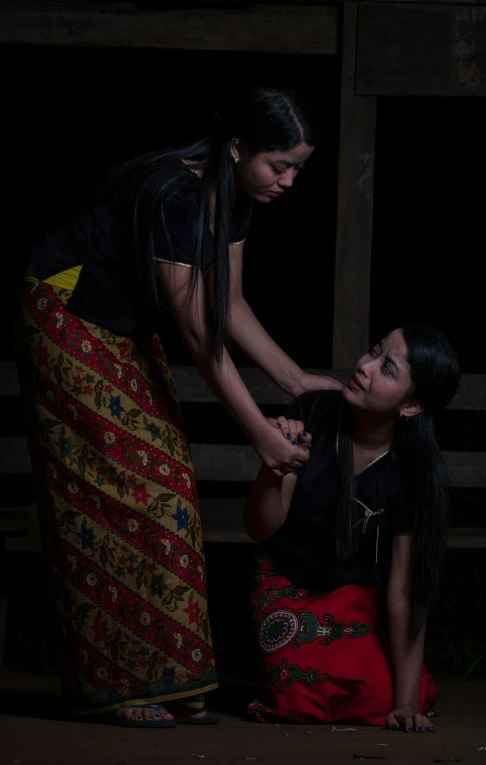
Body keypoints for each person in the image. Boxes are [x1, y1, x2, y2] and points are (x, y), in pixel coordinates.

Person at [13, 87, 341, 728]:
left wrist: (296, 379)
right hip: (65, 315)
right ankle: (122, 683)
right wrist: (262, 439)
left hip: (123, 326)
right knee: (118, 488)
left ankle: (171, 672)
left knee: (168, 482)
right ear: (239, 147)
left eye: (299, 166)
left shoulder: (236, 197)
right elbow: (200, 340)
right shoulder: (173, 194)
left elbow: (231, 307)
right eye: (281, 164)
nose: (290, 180)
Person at [244, 325, 460, 730]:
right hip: (285, 582)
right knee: (301, 695)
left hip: (354, 599)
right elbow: (260, 528)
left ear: (411, 406)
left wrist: (407, 703)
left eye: (387, 369)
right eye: (374, 352)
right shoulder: (312, 411)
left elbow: (403, 593)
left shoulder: (409, 473)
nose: (365, 366)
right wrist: (275, 467)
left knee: (391, 693)